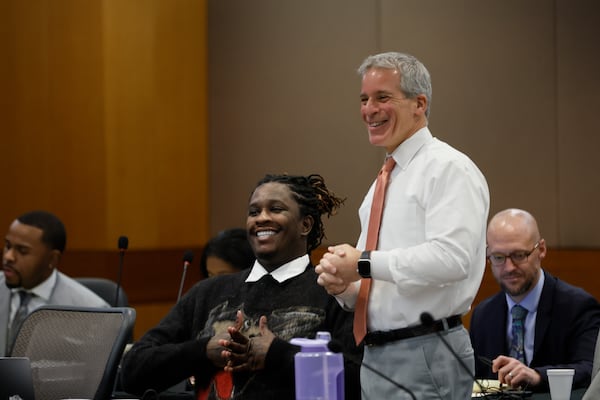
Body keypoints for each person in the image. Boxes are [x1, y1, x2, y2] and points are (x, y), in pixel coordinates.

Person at [315, 51, 490, 399]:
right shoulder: (385, 179)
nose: (369, 109)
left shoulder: (448, 168)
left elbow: (452, 260)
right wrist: (343, 287)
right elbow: (382, 286)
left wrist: (362, 262)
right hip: (376, 354)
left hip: (426, 350)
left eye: (383, 97)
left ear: (419, 103)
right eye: (364, 99)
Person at [121, 174, 361, 400]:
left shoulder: (334, 292)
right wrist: (203, 350)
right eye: (254, 211)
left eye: (276, 209)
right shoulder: (208, 292)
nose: (261, 218)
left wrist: (278, 354)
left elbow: (358, 380)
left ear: (305, 225)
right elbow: (133, 370)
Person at [470, 208, 600, 392]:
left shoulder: (578, 306)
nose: (509, 267)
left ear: (541, 250)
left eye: (519, 255)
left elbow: (591, 370)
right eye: (498, 257)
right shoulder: (483, 314)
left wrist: (537, 376)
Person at [1, 210, 109, 356]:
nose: (8, 257)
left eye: (22, 251)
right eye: (8, 246)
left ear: (52, 259)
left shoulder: (91, 312)